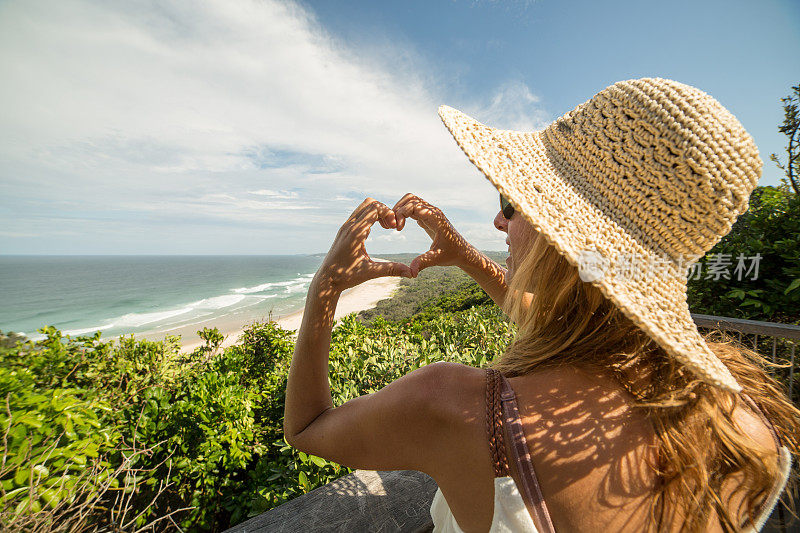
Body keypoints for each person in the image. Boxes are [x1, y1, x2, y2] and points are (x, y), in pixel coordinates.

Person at [283, 78, 799, 532]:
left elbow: (307, 430)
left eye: (511, 203)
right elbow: (548, 320)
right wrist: (462, 254)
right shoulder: (744, 419)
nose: (499, 222)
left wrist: (324, 288)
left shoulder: (454, 404)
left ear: (563, 239)